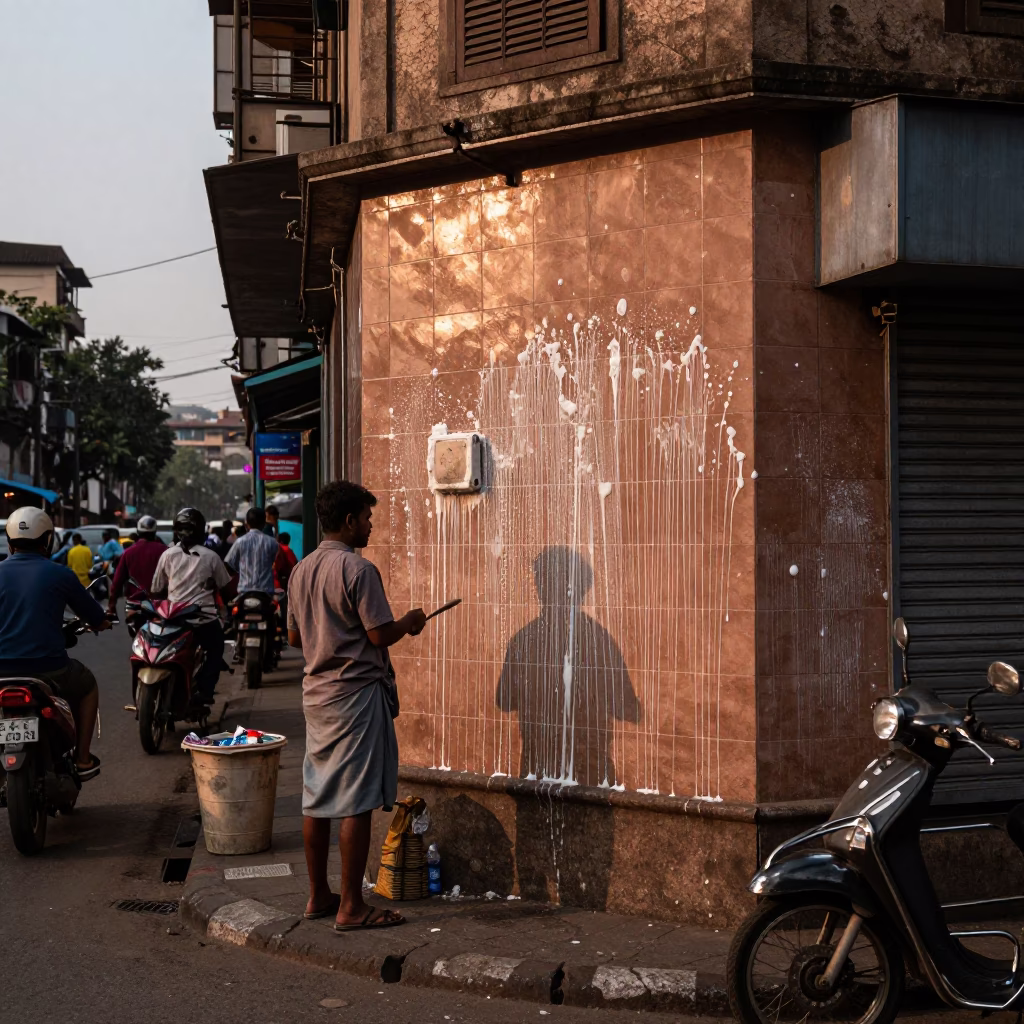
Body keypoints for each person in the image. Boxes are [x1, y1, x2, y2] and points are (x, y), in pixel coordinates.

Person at [287, 481, 426, 930]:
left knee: (317, 797)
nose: (370, 526)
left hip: (317, 696)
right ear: (349, 521)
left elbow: (294, 637)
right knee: (355, 802)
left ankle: (318, 897)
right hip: (355, 696)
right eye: (367, 518)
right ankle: (350, 906)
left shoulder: (301, 569)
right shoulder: (357, 569)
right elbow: (378, 635)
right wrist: (409, 621)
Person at [0, 508, 111, 778]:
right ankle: (83, 759)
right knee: (87, 686)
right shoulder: (60, 574)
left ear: (10, 539)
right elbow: (95, 617)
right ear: (47, 540)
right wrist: (102, 623)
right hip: (50, 669)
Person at [150, 507, 232, 706]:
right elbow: (226, 588)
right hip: (204, 619)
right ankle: (205, 691)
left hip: (172, 618)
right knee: (215, 648)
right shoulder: (211, 556)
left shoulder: (168, 555)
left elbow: (156, 589)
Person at [107, 515, 167, 616]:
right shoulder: (166, 551)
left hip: (134, 605)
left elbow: (117, 581)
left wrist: (112, 605)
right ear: (154, 532)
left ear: (138, 532)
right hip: (159, 605)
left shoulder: (128, 552)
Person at [225, 507, 280, 596]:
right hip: (266, 594)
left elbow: (228, 563)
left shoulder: (240, 541)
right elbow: (275, 562)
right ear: (264, 523)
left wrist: (239, 571)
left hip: (244, 593)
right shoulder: (272, 542)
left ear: (247, 523)